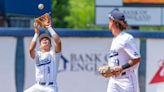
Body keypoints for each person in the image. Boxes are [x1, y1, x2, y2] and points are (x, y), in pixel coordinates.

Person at [104, 9, 141, 92]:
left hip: (126, 80)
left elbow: (137, 58)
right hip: (113, 80)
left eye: (109, 20)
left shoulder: (126, 38)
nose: (108, 23)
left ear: (113, 22)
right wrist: (110, 70)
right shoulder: (115, 39)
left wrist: (121, 68)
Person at [24, 14, 62, 92]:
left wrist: (49, 27)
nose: (44, 40)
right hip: (38, 86)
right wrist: (36, 34)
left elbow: (58, 42)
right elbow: (31, 49)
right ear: (40, 46)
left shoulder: (54, 54)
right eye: (42, 40)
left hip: (50, 87)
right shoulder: (38, 55)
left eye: (47, 39)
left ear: (51, 45)